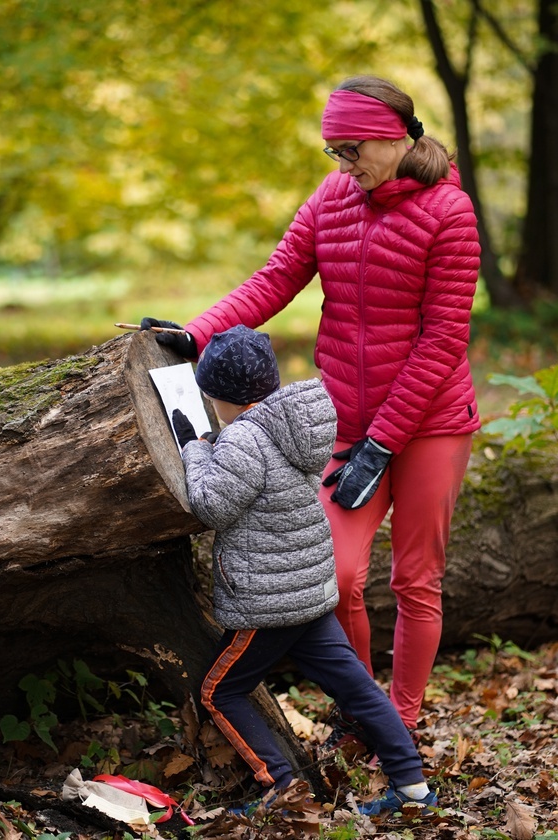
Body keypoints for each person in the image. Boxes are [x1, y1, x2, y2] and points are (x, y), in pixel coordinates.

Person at [142, 74, 481, 739]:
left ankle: (398, 719)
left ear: (394, 138)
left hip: (430, 423)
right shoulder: (332, 198)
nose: (344, 165)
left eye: (354, 149)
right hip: (343, 423)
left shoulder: (449, 211)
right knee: (336, 576)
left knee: (415, 580)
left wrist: (382, 444)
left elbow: (442, 338)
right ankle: (362, 706)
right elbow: (277, 276)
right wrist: (197, 331)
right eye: (334, 151)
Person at [171, 324, 437, 816]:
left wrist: (194, 448)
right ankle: (413, 786)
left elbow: (211, 504)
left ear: (221, 398)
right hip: (310, 592)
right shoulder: (296, 425)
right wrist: (218, 446)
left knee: (218, 690)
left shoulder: (242, 442)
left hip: (266, 604)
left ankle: (281, 785)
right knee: (355, 686)